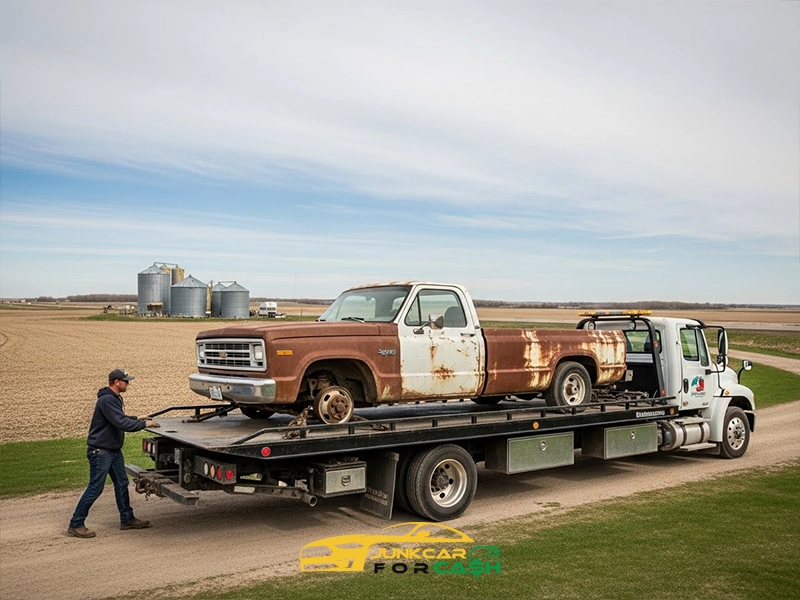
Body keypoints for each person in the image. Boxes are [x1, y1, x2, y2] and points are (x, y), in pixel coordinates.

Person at [67, 368, 160, 538]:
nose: (128, 384)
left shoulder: (113, 398)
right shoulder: (107, 400)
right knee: (95, 487)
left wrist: (137, 418)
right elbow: (120, 422)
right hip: (101, 452)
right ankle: (76, 523)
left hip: (112, 450)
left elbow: (119, 418)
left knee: (121, 483)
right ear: (116, 382)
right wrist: (144, 425)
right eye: (126, 381)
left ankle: (127, 519)